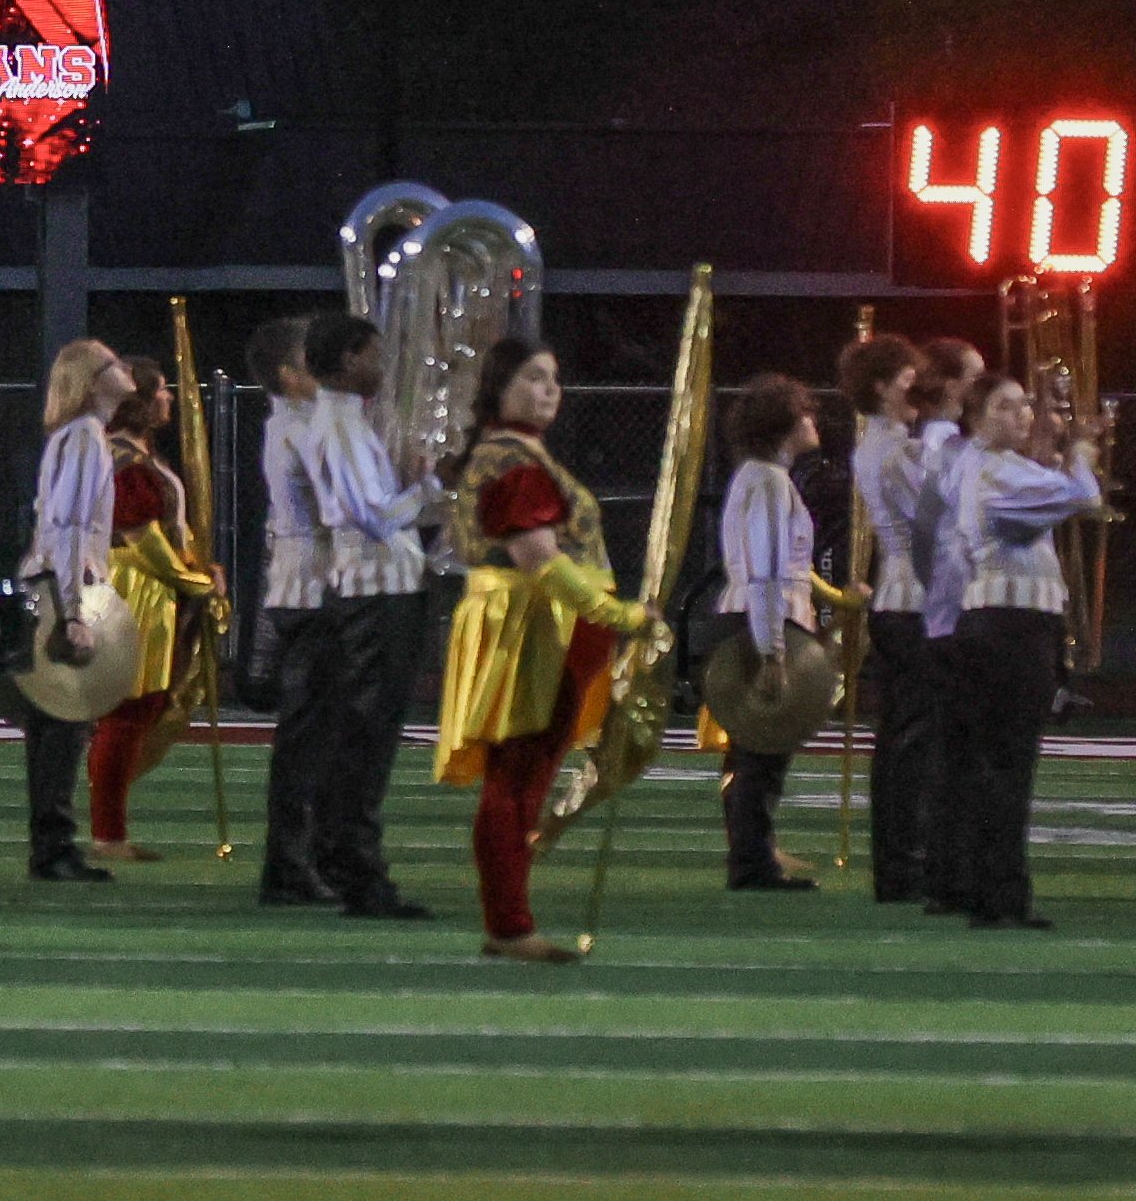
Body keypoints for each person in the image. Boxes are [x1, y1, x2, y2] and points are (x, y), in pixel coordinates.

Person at [433, 337, 653, 963]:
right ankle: (509, 924)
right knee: (518, 777)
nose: (549, 390)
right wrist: (620, 613)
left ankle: (511, 918)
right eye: (532, 378)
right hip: (535, 625)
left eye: (553, 378)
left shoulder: (516, 453)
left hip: (537, 621)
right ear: (499, 388)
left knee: (525, 776)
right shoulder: (513, 460)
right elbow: (541, 560)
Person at [923, 371, 1102, 930]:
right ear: (976, 418)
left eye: (1023, 405)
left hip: (997, 623)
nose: (1021, 415)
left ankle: (980, 886)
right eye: (1005, 407)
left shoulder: (987, 464)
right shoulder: (995, 471)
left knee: (989, 764)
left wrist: (1058, 441)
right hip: (1012, 626)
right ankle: (999, 895)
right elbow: (1083, 496)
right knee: (1008, 765)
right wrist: (1081, 452)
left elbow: (1051, 483)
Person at [290, 311, 440, 920]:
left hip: (379, 588)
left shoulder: (345, 421)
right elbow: (373, 516)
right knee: (366, 737)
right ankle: (355, 863)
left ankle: (344, 854)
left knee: (364, 734)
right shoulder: (341, 425)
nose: (383, 365)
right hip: (377, 591)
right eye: (374, 354)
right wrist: (433, 488)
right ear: (350, 358)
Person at [701, 373, 854, 892]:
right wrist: (771, 652)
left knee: (753, 752)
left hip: (750, 613)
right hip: (761, 618)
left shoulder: (757, 476)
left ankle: (753, 854)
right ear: (785, 424)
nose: (814, 422)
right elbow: (767, 569)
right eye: (805, 414)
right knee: (761, 755)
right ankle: (751, 862)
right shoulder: (767, 480)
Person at [85, 358, 220, 863]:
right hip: (136, 588)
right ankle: (107, 833)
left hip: (150, 586)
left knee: (140, 709)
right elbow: (142, 539)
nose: (169, 400)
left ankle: (110, 827)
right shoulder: (124, 461)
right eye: (161, 392)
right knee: (127, 710)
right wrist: (194, 580)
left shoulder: (134, 456)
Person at [19, 339, 128, 884]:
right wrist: (71, 613)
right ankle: (53, 846)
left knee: (54, 723)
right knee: (66, 721)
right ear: (90, 380)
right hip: (64, 588)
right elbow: (65, 529)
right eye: (111, 364)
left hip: (52, 583)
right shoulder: (85, 436)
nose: (124, 369)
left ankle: (51, 843)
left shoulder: (80, 436)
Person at [836, 333, 931, 902]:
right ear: (880, 385)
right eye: (905, 375)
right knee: (912, 740)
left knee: (901, 737)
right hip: (912, 597)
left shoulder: (885, 443)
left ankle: (901, 860)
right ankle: (904, 863)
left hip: (899, 593)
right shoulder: (894, 448)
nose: (915, 384)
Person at [246, 316, 334, 904]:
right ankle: (290, 866)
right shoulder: (298, 431)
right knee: (309, 738)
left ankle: (302, 860)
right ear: (288, 374)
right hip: (312, 590)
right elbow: (342, 511)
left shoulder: (304, 425)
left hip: (310, 585)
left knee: (317, 736)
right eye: (313, 356)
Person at [904, 336, 986, 915]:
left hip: (948, 609)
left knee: (953, 748)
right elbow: (943, 529)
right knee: (956, 750)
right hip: (950, 612)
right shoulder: (943, 444)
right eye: (975, 379)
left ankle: (947, 868)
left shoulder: (946, 443)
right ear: (953, 385)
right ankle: (946, 872)